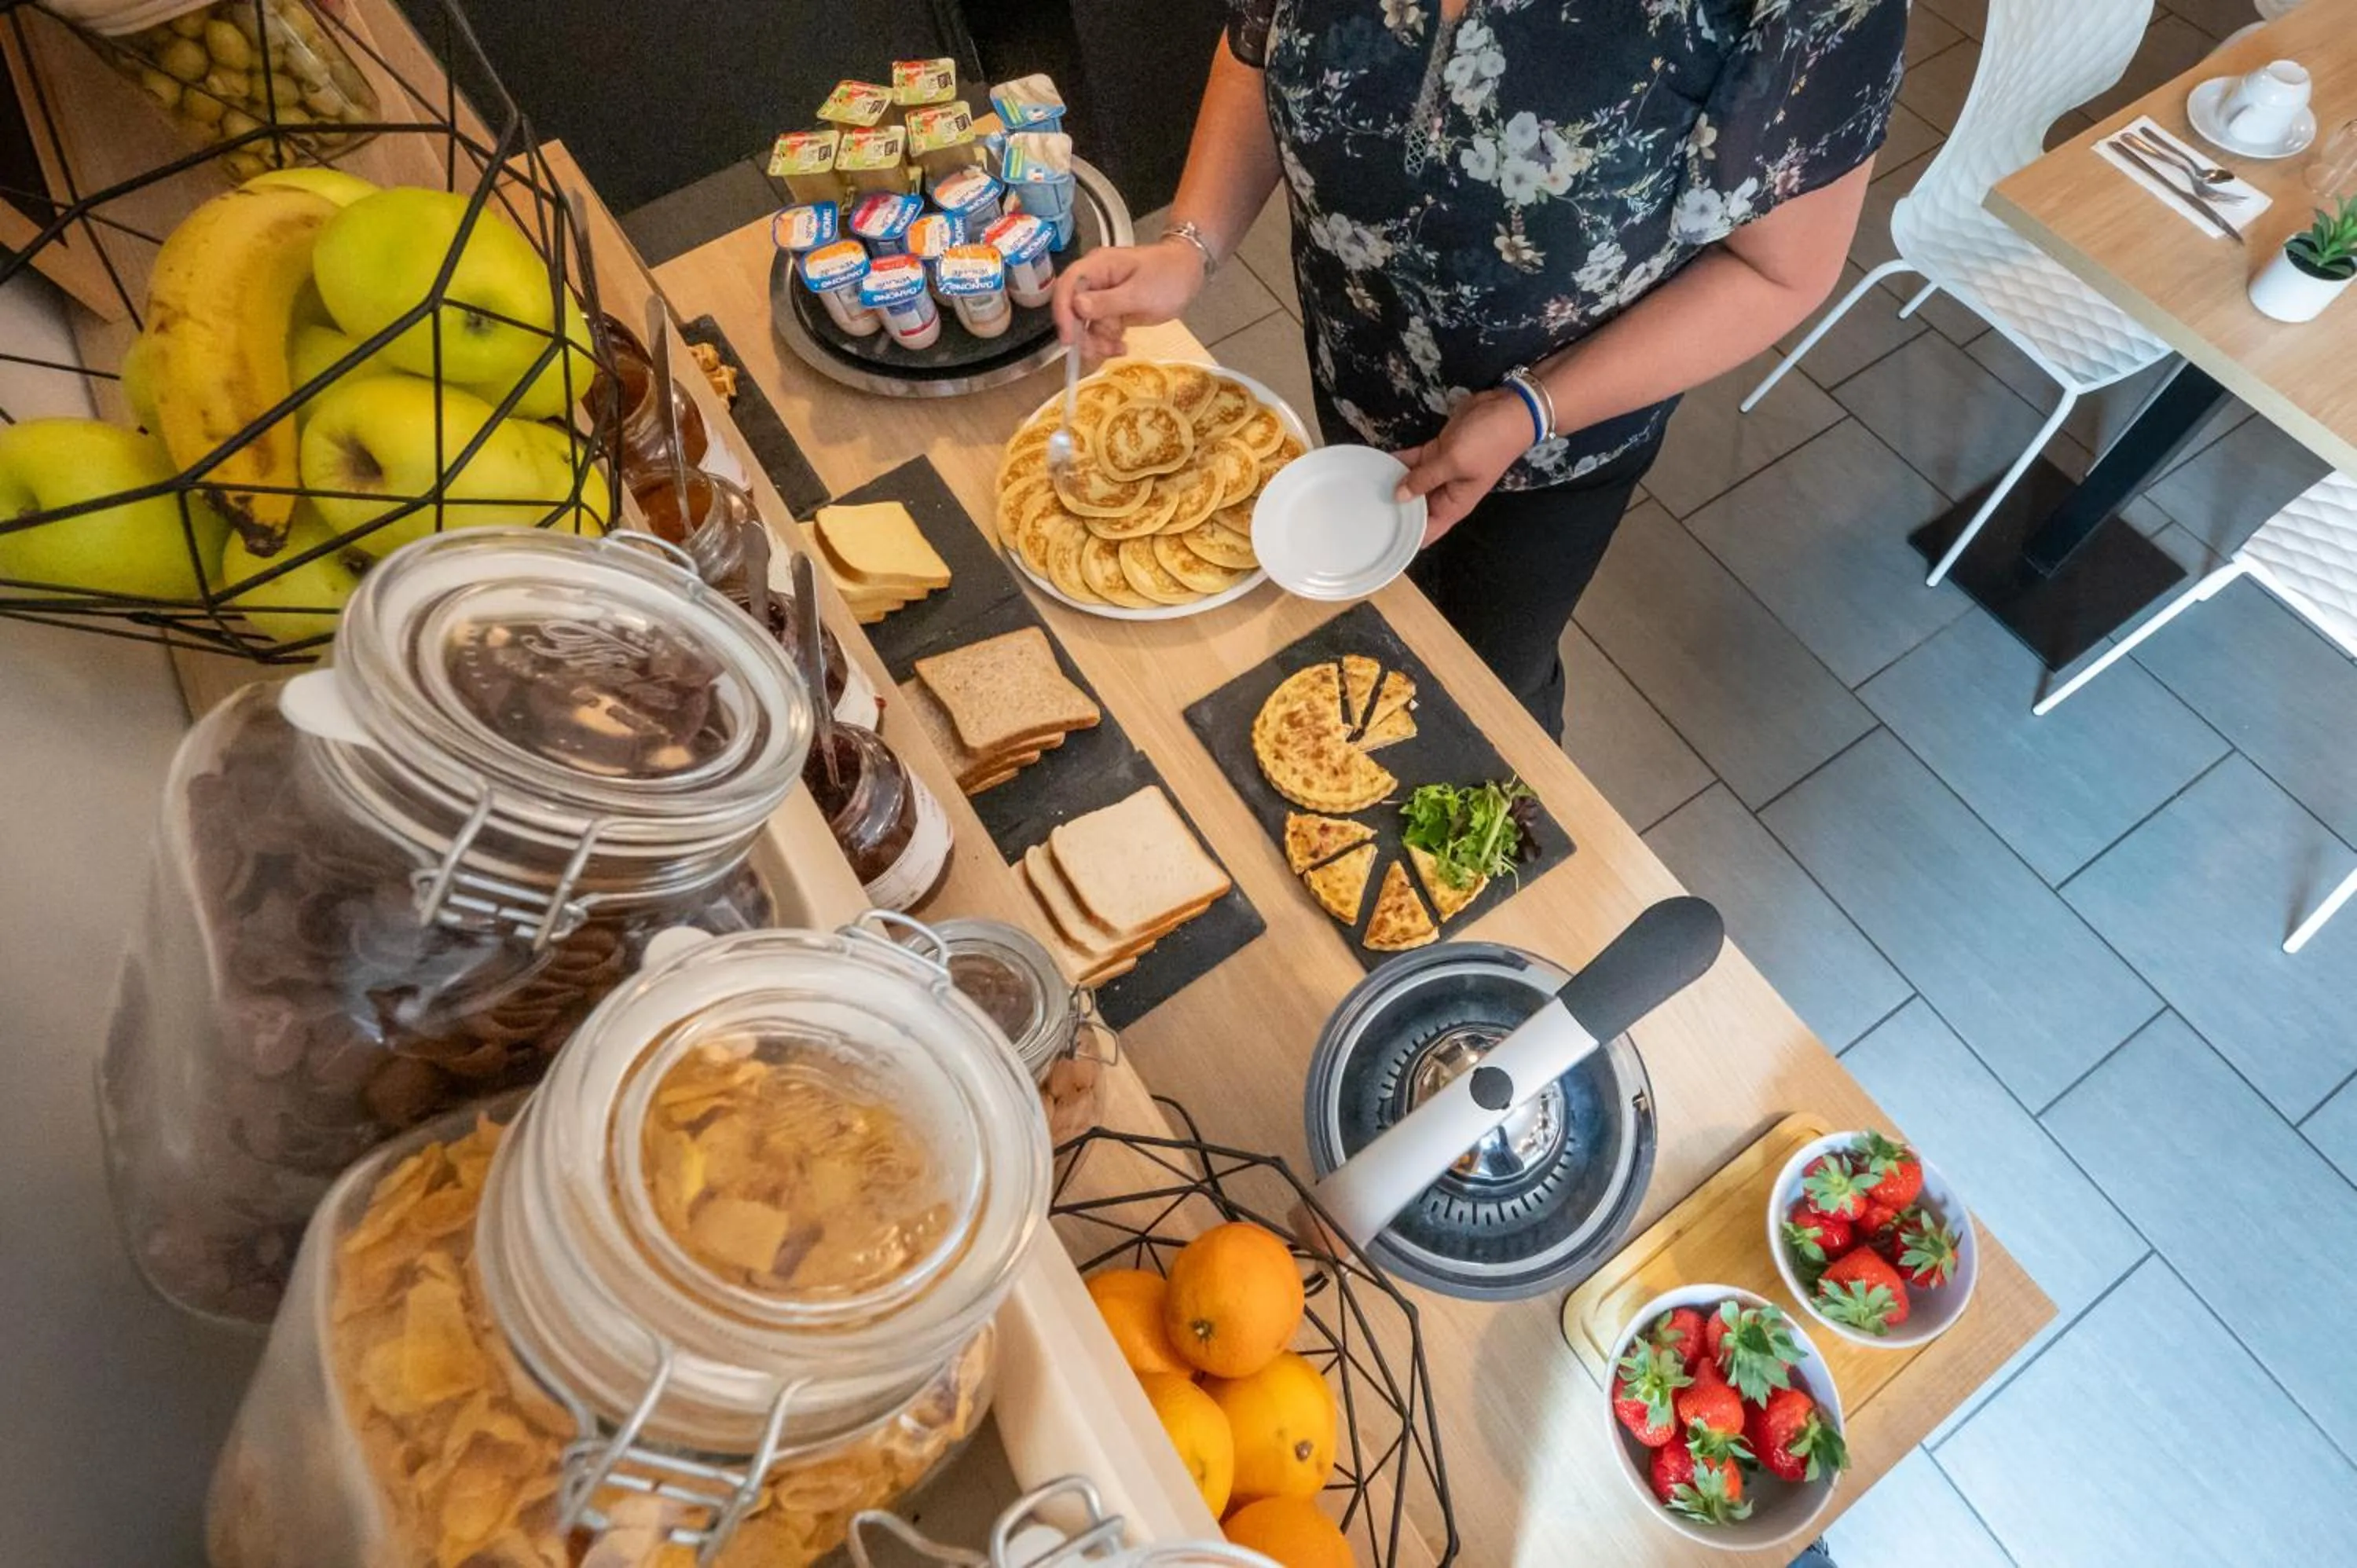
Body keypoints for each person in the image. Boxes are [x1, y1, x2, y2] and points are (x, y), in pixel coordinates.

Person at [1053, 0, 1909, 738]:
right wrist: (1190, 246)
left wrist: (1531, 408)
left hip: (1558, 448)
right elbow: (1260, 43)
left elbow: (1780, 268)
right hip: (1354, 356)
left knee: (1492, 691)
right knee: (1376, 624)